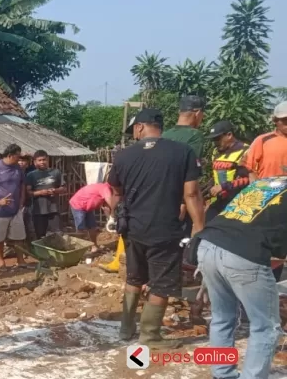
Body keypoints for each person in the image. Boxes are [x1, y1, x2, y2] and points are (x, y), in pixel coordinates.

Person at [110, 108, 205, 349]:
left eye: (133, 129)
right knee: (162, 284)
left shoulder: (122, 156)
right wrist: (199, 226)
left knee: (133, 277)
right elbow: (191, 194)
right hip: (165, 230)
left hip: (132, 229)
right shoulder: (183, 152)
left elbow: (115, 193)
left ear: (140, 127)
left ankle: (126, 329)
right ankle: (150, 336)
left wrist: (116, 217)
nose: (133, 133)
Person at [195, 177, 287, 379]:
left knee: (222, 317)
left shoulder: (266, 182)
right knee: (266, 327)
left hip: (208, 245)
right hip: (242, 253)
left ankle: (221, 374)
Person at [244, 101, 287, 280]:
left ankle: (275, 282)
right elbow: (250, 169)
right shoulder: (263, 140)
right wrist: (257, 194)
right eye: (284, 120)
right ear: (275, 121)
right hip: (267, 201)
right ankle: (263, 278)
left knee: (282, 243)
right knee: (266, 242)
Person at [162, 94, 206, 238]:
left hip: (162, 199)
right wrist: (183, 203)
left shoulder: (165, 134)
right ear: (198, 113)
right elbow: (189, 175)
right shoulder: (195, 136)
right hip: (181, 200)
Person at [0, 144, 28, 270]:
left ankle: (21, 260)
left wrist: (22, 200)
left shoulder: (18, 168)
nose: (19, 159)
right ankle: (1, 262)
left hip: (15, 209)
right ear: (10, 155)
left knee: (19, 237)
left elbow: (22, 184)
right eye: (17, 157)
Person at [204, 120, 250, 222]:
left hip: (237, 203)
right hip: (219, 201)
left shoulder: (245, 151)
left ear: (229, 135)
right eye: (213, 140)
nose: (215, 143)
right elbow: (216, 175)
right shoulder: (216, 152)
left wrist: (224, 186)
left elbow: (248, 180)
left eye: (217, 139)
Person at [27, 150, 66, 239]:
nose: (42, 162)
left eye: (44, 160)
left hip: (54, 209)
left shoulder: (56, 172)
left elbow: (64, 188)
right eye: (39, 160)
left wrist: (55, 190)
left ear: (48, 160)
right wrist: (40, 192)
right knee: (40, 236)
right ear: (35, 162)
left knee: (58, 234)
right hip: (38, 211)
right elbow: (28, 193)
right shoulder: (31, 175)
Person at [69, 182, 115, 253]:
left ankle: (94, 246)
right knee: (81, 229)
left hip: (87, 207)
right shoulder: (105, 188)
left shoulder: (104, 189)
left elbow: (106, 207)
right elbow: (111, 203)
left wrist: (110, 219)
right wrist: (115, 215)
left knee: (92, 227)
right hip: (78, 205)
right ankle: (80, 250)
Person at [17, 155, 37, 243]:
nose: (21, 162)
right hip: (16, 204)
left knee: (29, 225)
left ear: (28, 163)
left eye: (23, 161)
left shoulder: (30, 173)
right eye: (19, 160)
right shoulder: (13, 173)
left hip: (29, 203)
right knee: (18, 226)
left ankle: (31, 244)